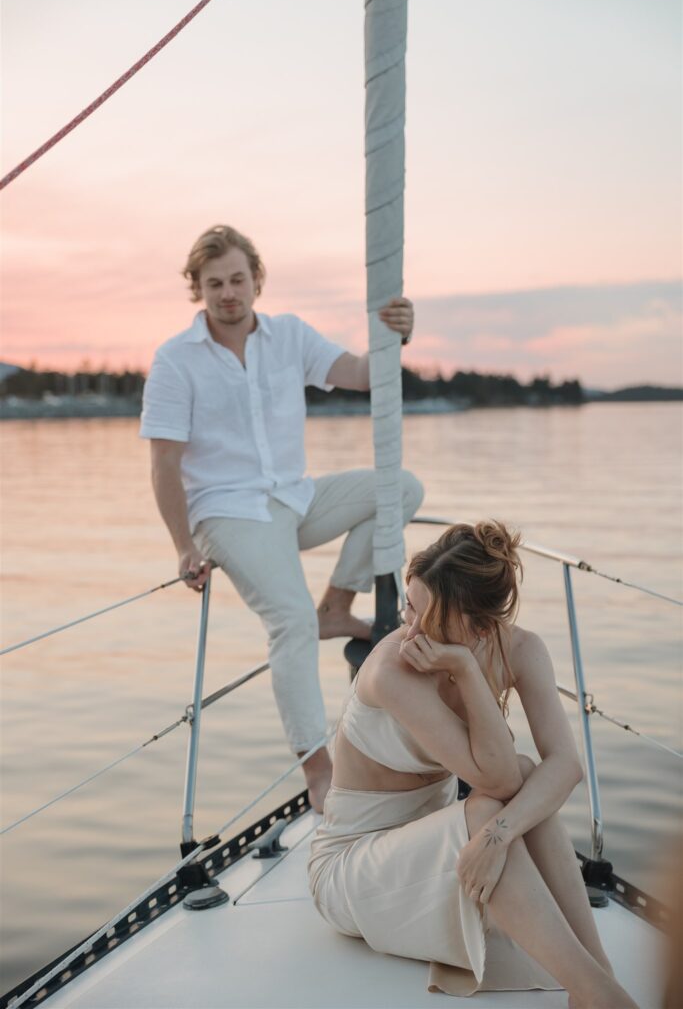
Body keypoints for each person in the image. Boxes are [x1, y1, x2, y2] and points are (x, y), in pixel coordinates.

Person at [140, 225, 424, 812]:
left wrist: (395, 337)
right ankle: (318, 771)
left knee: (400, 487)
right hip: (227, 511)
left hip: (294, 498)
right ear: (197, 288)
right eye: (214, 283)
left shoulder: (289, 336)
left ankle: (338, 606)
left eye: (237, 279)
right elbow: (165, 464)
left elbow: (361, 373)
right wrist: (181, 546)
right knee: (289, 623)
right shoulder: (175, 361)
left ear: (256, 280)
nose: (227, 293)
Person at [308, 522, 638, 1007]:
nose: (411, 633)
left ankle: (597, 976)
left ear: (482, 626)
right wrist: (464, 668)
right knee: (497, 799)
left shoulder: (521, 649)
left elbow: (565, 765)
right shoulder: (392, 671)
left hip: (445, 856)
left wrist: (500, 835)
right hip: (356, 871)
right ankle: (599, 992)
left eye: (431, 617)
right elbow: (496, 779)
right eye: (409, 607)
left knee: (525, 780)